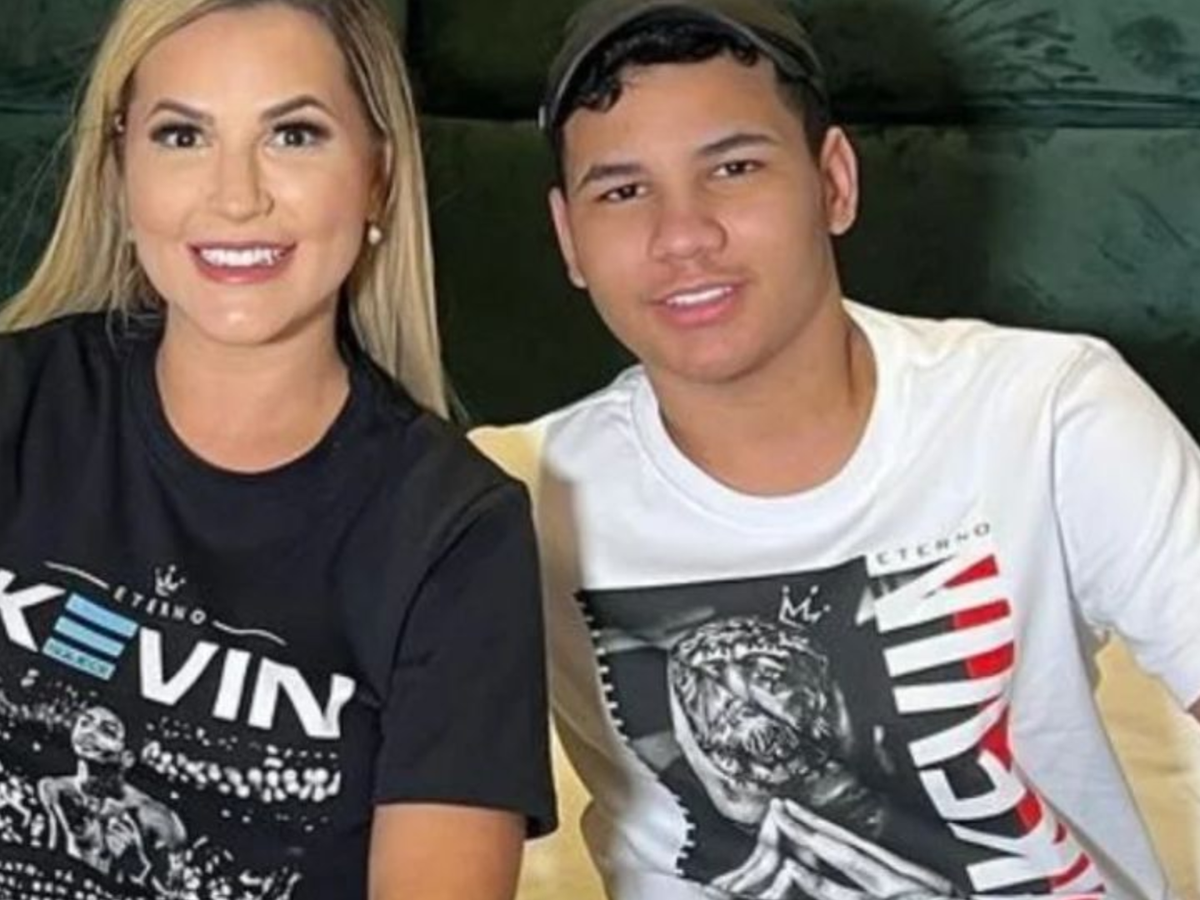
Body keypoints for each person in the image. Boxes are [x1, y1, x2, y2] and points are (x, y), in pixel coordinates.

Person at [472, 0, 1200, 898]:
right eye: (623, 192)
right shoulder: (512, 496)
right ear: (568, 239)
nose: (683, 235)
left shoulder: (1046, 412)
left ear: (835, 182)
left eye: (733, 168)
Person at [0, 1, 554, 899]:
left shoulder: (456, 531)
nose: (236, 196)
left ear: (377, 177)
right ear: (120, 173)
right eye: (182, 135)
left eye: (293, 135)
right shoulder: (20, 404)